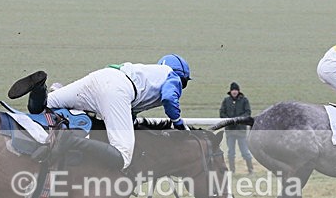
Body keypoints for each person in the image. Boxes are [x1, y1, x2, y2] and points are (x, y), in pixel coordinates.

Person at [23, 54, 191, 171]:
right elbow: (169, 99)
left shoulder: (147, 73)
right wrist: (178, 124)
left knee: (46, 105)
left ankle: (40, 88)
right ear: (182, 77)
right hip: (118, 90)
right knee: (123, 157)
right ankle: (72, 141)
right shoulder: (172, 77)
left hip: (102, 76)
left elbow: (128, 115)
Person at [219, 81, 253, 174]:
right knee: (231, 153)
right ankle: (232, 171)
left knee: (245, 152)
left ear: (238, 91)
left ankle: (251, 170)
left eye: (236, 90)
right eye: (233, 90)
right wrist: (229, 121)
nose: (234, 92)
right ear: (230, 91)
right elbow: (222, 113)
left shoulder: (244, 100)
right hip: (230, 131)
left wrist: (238, 120)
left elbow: (248, 112)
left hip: (241, 131)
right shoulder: (226, 101)